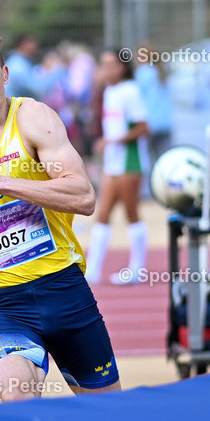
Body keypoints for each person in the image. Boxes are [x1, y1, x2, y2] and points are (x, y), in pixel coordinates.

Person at [0, 20, 121, 401]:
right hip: (2, 301)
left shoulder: (33, 119)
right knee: (16, 396)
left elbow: (84, 197)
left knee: (108, 415)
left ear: (4, 74)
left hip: (63, 288)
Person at [85, 49, 149, 285]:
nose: (106, 70)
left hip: (130, 162)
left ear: (122, 67)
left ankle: (137, 268)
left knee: (131, 214)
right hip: (112, 164)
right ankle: (92, 270)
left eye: (111, 64)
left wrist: (113, 141)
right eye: (103, 65)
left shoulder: (130, 91)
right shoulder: (109, 91)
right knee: (102, 214)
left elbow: (143, 128)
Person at [134, 42, 173, 161]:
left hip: (150, 123)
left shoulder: (143, 72)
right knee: (164, 158)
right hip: (165, 122)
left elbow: (138, 98)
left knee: (149, 159)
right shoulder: (162, 71)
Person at [4, 34, 39, 99]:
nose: (35, 45)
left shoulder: (18, 61)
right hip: (10, 107)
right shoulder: (18, 66)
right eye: (31, 42)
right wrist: (57, 69)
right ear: (23, 44)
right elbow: (38, 90)